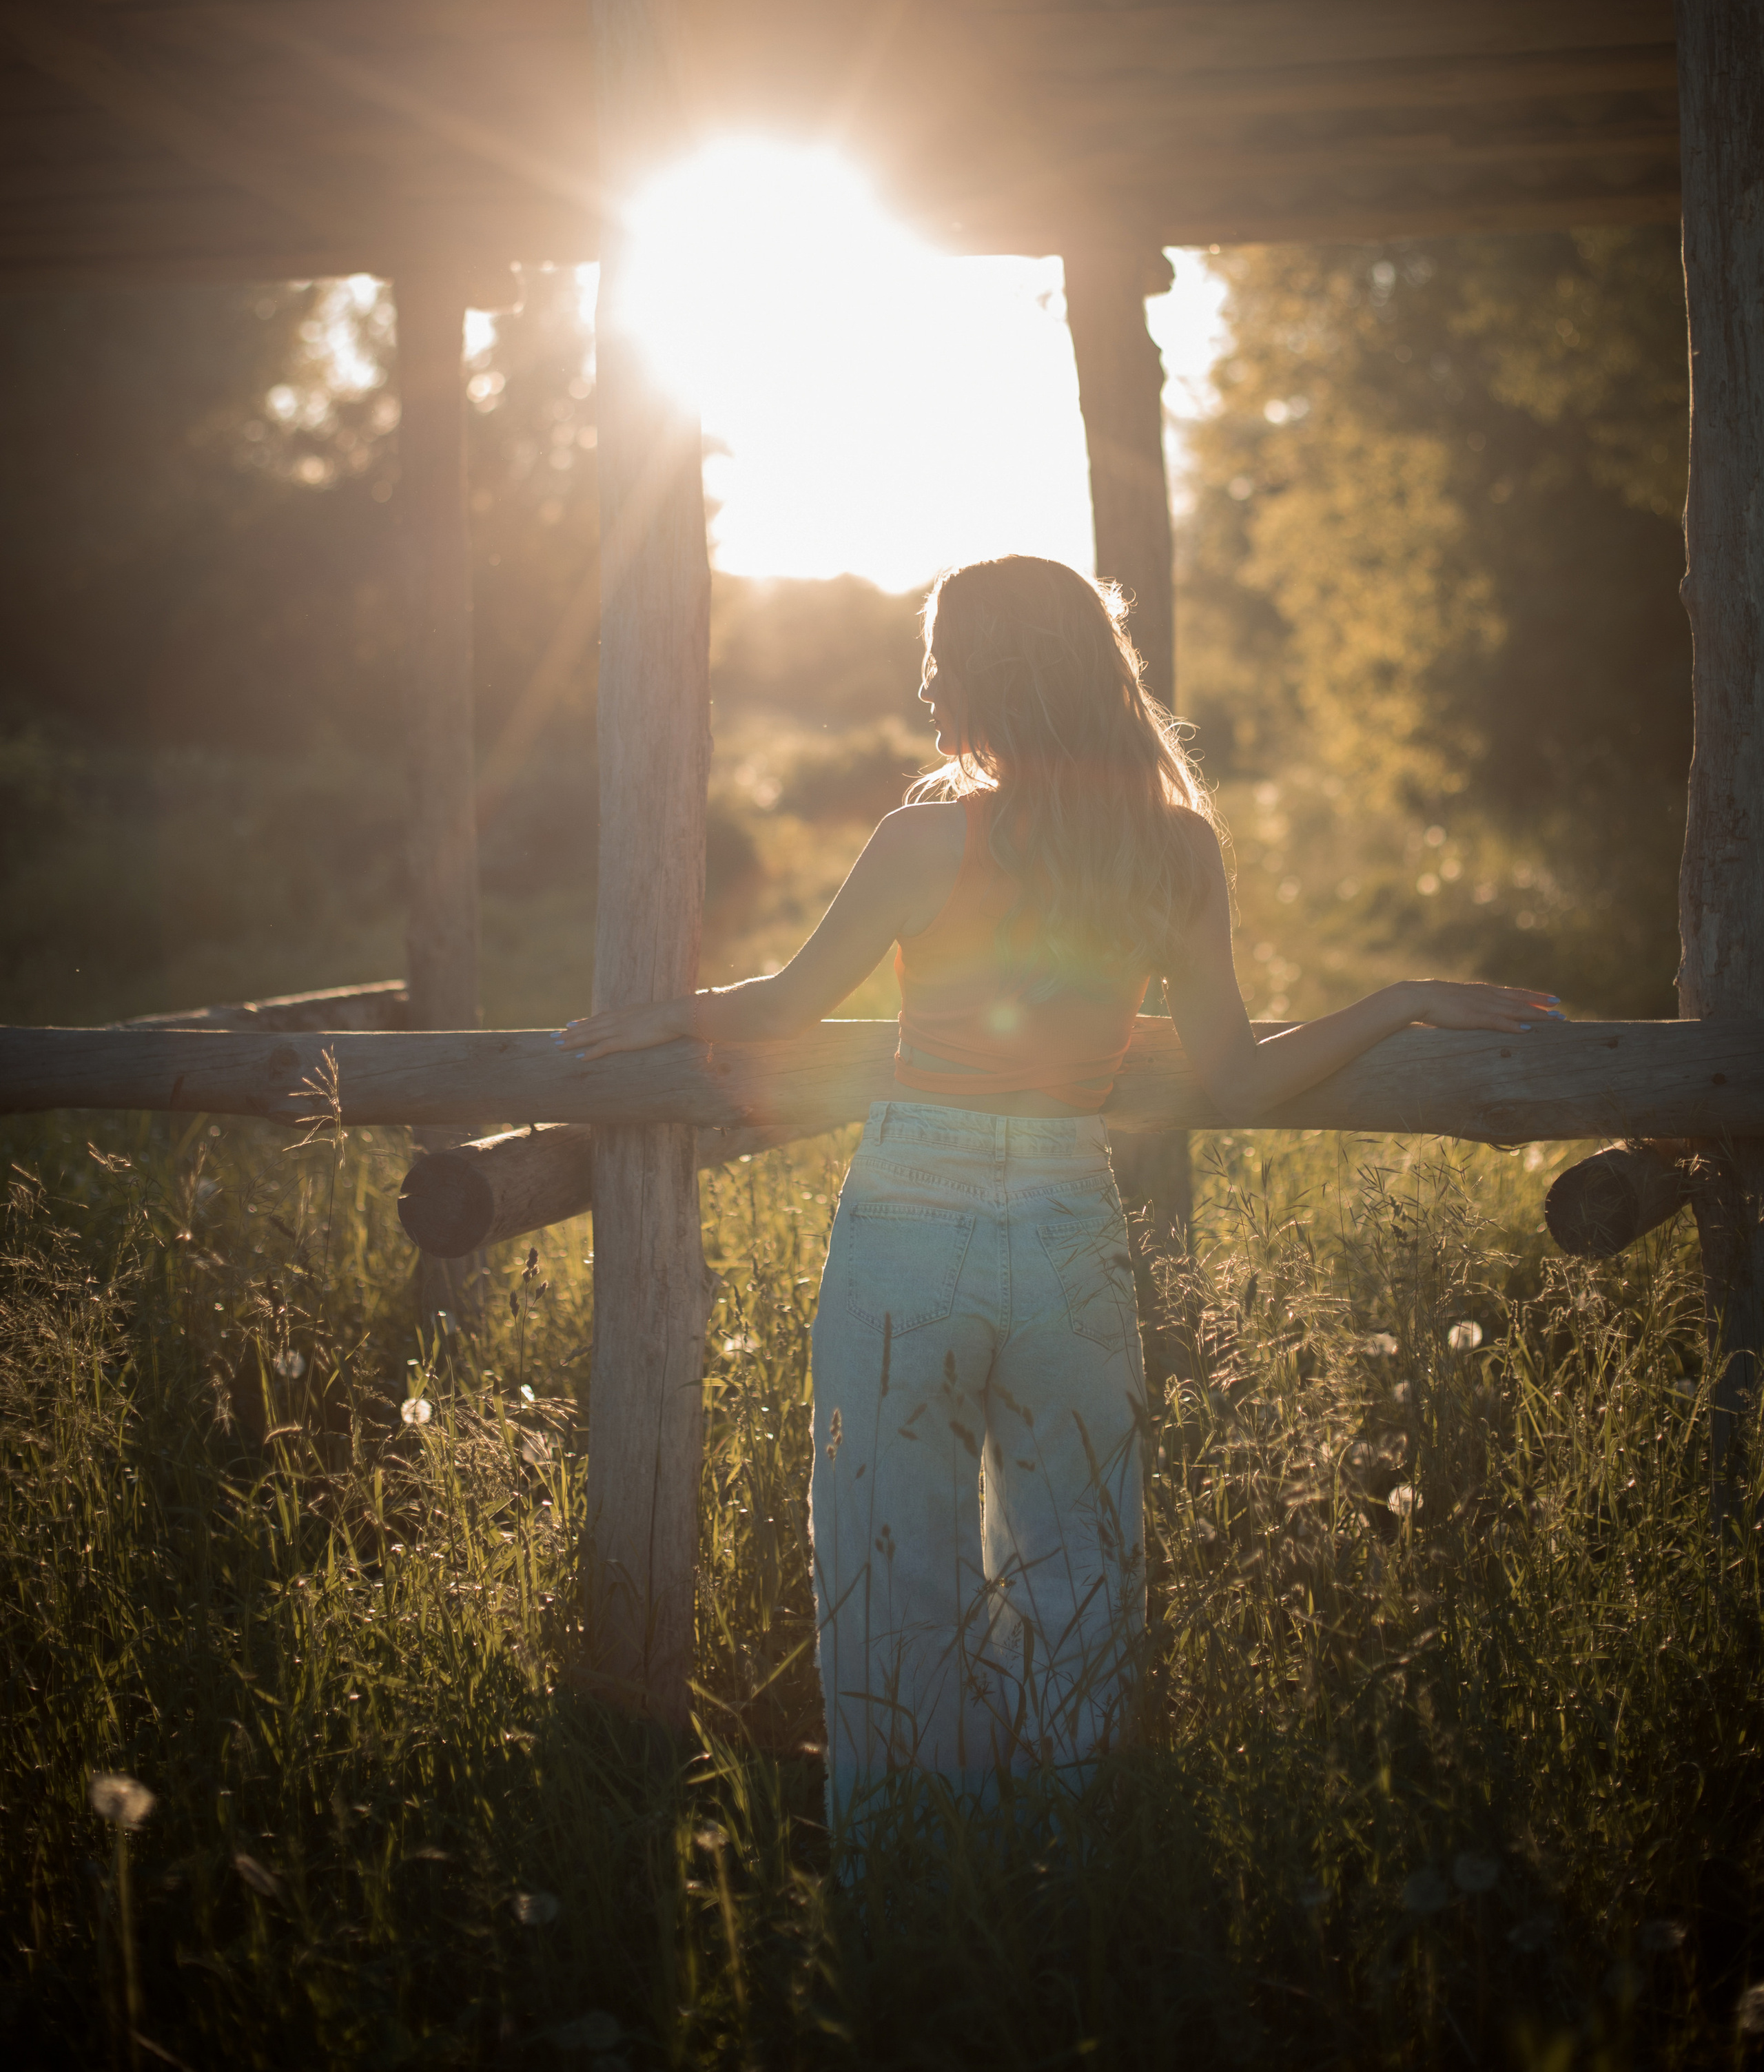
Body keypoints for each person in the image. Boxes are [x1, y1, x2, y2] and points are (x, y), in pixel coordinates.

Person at [560, 553, 1559, 1832]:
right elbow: (1241, 1078)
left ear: (997, 673)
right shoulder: (1173, 847)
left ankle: (911, 1872)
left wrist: (660, 1013)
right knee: (1079, 1560)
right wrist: (1401, 1000)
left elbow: (784, 1007)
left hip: (910, 1215)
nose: (928, 688)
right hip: (1067, 1223)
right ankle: (1069, 1869)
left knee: (888, 1560)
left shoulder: (924, 839)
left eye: (943, 662)